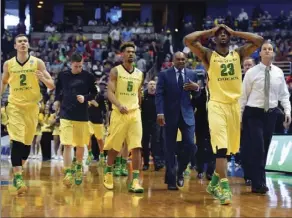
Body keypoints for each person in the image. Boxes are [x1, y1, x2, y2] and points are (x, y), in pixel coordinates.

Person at [184, 24, 264, 204]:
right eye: (218, 34)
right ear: (214, 38)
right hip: (216, 105)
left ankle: (213, 183)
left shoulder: (239, 54)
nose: (222, 35)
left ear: (229, 37)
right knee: (220, 147)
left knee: (228, 150)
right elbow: (188, 40)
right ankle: (224, 188)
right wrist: (209, 31)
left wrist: (235, 31)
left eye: (225, 34)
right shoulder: (208, 55)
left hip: (233, 106)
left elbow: (258, 40)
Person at [1, 34, 55, 195]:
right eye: (20, 42)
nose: (23, 43)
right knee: (16, 141)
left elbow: (51, 85)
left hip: (32, 108)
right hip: (15, 106)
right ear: (15, 46)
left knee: (26, 146)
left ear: (28, 45)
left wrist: (43, 80)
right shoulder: (8, 64)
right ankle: (18, 178)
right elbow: (4, 82)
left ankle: (18, 172)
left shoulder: (37, 63)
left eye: (25, 41)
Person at [240, 42, 291, 194]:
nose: (267, 51)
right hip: (253, 113)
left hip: (271, 114)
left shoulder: (279, 73)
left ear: (273, 53)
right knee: (258, 148)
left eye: (270, 49)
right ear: (260, 54)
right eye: (264, 49)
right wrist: (240, 118)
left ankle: (257, 180)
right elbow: (243, 96)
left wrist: (287, 111)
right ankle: (258, 183)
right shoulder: (251, 72)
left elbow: (284, 95)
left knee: (265, 149)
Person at [103, 42, 144, 193]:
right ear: (122, 54)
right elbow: (110, 92)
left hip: (134, 113)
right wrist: (119, 105)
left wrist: (138, 107)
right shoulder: (116, 71)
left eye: (133, 51)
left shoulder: (140, 73)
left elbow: (139, 94)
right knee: (115, 146)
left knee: (136, 146)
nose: (131, 54)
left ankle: (134, 180)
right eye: (128, 51)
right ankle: (108, 172)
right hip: (119, 113)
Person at [156, 51, 200, 190]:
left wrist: (197, 88)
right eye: (178, 59)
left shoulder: (192, 74)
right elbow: (159, 95)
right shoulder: (164, 74)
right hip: (169, 115)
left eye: (183, 59)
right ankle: (171, 180)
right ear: (173, 61)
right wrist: (160, 112)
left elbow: (197, 95)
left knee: (191, 145)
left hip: (187, 114)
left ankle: (180, 171)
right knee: (169, 148)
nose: (181, 61)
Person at [54, 52, 97, 187]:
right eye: (76, 66)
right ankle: (67, 172)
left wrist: (85, 98)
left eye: (80, 66)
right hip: (66, 114)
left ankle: (78, 166)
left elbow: (94, 93)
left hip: (82, 115)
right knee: (67, 144)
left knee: (79, 144)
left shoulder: (88, 77)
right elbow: (58, 91)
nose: (78, 68)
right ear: (71, 64)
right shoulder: (63, 75)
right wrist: (56, 101)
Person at [141, 80, 164, 171]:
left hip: (156, 122)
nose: (152, 86)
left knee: (156, 143)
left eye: (154, 84)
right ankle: (145, 163)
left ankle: (157, 163)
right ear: (148, 86)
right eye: (151, 84)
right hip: (144, 122)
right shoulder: (143, 96)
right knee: (145, 144)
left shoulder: (159, 96)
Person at [240, 57, 255, 186]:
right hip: (242, 117)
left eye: (250, 65)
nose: (248, 67)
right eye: (246, 65)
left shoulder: (258, 79)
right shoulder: (238, 81)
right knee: (245, 148)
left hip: (256, 116)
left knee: (256, 147)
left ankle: (256, 174)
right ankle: (248, 175)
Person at [87, 91, 107, 166]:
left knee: (100, 139)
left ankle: (102, 155)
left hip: (98, 121)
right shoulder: (85, 95)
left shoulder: (100, 96)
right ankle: (89, 154)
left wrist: (107, 121)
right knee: (87, 136)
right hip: (89, 120)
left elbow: (98, 105)